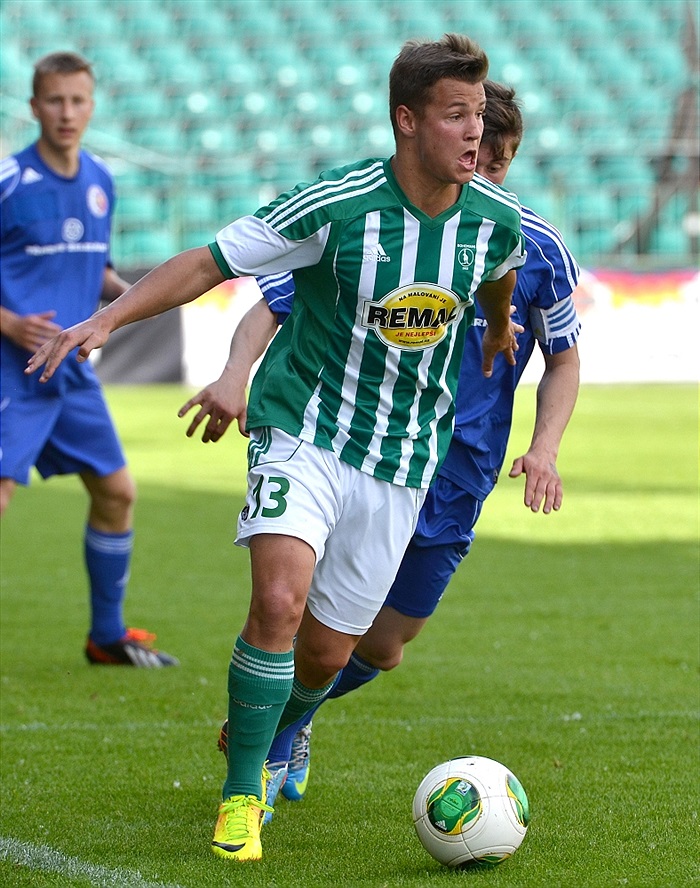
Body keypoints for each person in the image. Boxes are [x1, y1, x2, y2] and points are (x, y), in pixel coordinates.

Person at [27, 35, 526, 863]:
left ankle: (275, 726)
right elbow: (207, 263)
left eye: (478, 114)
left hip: (402, 456)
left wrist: (502, 328)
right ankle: (240, 797)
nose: (475, 132)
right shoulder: (336, 205)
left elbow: (500, 270)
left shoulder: (494, 219)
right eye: (455, 115)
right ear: (407, 120)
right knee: (278, 604)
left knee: (328, 653)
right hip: (305, 429)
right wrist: (107, 318)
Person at [192, 81, 581, 816]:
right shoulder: (377, 222)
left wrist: (546, 447)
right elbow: (270, 303)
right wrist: (234, 375)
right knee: (293, 607)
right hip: (352, 439)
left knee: (384, 646)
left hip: (459, 470)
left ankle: (289, 720)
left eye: (497, 165)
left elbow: (562, 355)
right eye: (473, 152)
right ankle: (266, 750)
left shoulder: (527, 243)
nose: (481, 176)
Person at [0, 51, 178, 668]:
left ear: (92, 105)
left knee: (116, 492)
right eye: (54, 101)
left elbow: (95, 270)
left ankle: (107, 635)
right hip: (11, 372)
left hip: (71, 374)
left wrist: (134, 301)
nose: (67, 113)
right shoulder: (10, 184)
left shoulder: (100, 179)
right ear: (34, 107)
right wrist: (9, 321)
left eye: (78, 101)